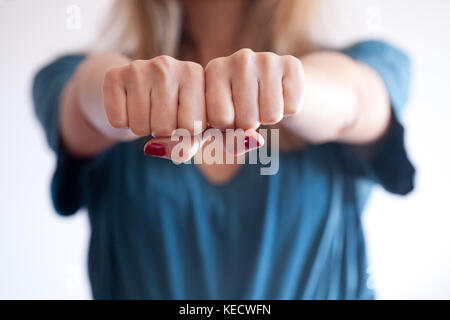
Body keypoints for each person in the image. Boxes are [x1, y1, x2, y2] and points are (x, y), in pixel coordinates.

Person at [33, 0, 415, 299]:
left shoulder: (371, 61)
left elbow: (354, 99)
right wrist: (116, 87)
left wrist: (294, 87)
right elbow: (83, 104)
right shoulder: (65, 74)